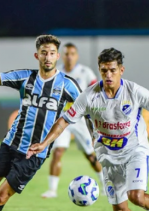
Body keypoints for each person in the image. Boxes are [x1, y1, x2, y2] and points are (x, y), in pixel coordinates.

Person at [27, 48, 149, 211]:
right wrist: (45, 143)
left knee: (136, 196)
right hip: (107, 157)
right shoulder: (89, 96)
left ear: (121, 70)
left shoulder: (134, 91)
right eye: (104, 70)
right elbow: (64, 120)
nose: (108, 75)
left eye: (112, 70)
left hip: (135, 151)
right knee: (119, 209)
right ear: (99, 70)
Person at [0, 35, 81, 211]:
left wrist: (96, 134)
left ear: (57, 56)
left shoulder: (68, 85)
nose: (47, 57)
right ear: (37, 55)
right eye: (43, 53)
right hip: (9, 144)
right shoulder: (25, 77)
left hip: (34, 154)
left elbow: (86, 108)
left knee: (0, 197)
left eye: (51, 54)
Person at [41, 43, 105, 198]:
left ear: (76, 56)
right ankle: (52, 190)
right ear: (62, 56)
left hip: (81, 120)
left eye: (72, 53)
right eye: (66, 53)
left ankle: (105, 186)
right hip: (62, 119)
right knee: (57, 153)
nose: (69, 56)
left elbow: (97, 93)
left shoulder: (85, 72)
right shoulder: (56, 73)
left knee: (91, 155)